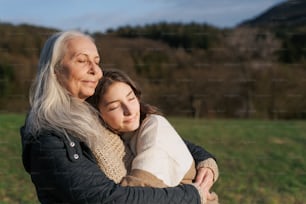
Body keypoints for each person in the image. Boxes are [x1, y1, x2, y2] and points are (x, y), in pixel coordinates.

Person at [20, 30, 219, 204]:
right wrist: (192, 196)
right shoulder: (48, 138)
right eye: (82, 60)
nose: (95, 71)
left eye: (97, 62)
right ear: (54, 70)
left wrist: (206, 163)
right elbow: (107, 199)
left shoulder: (93, 114)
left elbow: (163, 140)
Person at [87, 69, 219, 201]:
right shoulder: (125, 135)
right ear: (98, 114)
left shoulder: (154, 127)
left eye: (131, 98)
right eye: (115, 107)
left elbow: (139, 188)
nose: (129, 110)